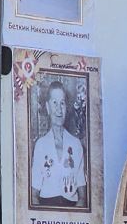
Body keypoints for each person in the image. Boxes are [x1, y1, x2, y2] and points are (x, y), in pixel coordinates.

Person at [30, 81, 86, 209]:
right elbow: (34, 195)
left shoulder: (76, 145)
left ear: (66, 107)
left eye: (62, 103)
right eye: (54, 103)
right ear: (47, 107)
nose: (59, 109)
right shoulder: (41, 145)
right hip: (46, 210)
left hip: (71, 210)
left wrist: (73, 216)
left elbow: (83, 197)